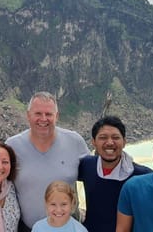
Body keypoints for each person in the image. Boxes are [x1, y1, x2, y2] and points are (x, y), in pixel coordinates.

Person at [6, 91, 90, 232]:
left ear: (57, 116)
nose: (43, 119)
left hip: (68, 228)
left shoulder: (75, 142)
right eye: (38, 113)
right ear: (28, 115)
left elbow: (95, 175)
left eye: (49, 114)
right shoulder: (12, 146)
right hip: (27, 228)